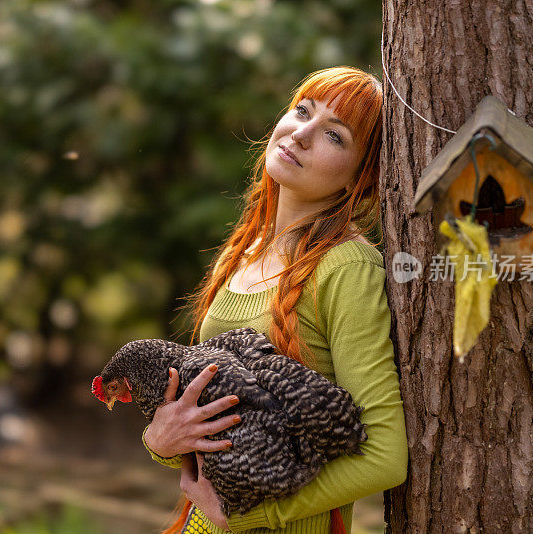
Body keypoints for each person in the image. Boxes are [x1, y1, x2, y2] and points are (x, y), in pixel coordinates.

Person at [142, 66, 408, 534]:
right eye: (302, 111)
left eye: (335, 136)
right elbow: (216, 428)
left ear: (361, 178)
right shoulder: (242, 252)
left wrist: (258, 516)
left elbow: (386, 458)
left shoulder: (346, 268)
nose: (302, 134)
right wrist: (159, 441)